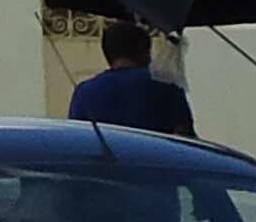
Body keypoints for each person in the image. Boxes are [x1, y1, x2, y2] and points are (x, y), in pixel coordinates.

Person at [66, 16, 199, 137]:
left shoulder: (84, 92)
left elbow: (77, 140)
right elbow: (186, 137)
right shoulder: (165, 85)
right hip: (157, 161)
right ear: (142, 49)